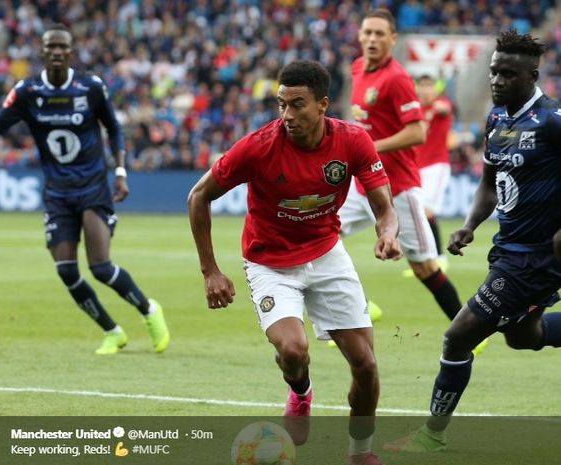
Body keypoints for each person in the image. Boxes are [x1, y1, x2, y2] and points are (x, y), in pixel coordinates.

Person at [188, 60, 403, 465]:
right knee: (292, 349)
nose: (286, 115)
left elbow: (384, 208)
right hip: (270, 262)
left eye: (297, 105)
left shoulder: (353, 141)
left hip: (326, 254)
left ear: (323, 105)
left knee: (366, 364)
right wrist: (210, 271)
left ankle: (360, 453)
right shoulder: (257, 147)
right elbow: (198, 196)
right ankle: (301, 392)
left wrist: (387, 234)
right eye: (281, 104)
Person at [385, 29, 561, 453]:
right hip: (508, 248)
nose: (497, 81)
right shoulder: (497, 118)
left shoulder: (552, 121)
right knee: (523, 335)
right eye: (493, 72)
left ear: (532, 75)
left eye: (507, 74)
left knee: (458, 336)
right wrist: (469, 225)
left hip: (535, 259)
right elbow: (487, 182)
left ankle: (431, 435)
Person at [0, 24, 169, 355]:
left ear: (70, 53)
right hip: (57, 192)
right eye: (49, 46)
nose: (55, 51)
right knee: (66, 270)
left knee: (100, 267)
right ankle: (112, 331)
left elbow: (114, 129)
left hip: (93, 187)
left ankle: (149, 311)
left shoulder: (90, 87)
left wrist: (121, 172)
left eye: (61, 47)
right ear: (41, 52)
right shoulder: (27, 91)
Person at [342, 9, 465, 331]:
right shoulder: (357, 69)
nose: (372, 39)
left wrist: (369, 148)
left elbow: (417, 133)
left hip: (396, 188)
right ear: (359, 35)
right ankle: (358, 307)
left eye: (379, 34)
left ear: (392, 40)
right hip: (361, 186)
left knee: (425, 267)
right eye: (367, 32)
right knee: (318, 236)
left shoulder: (396, 78)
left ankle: (468, 330)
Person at [413, 74, 455, 270]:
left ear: (435, 89)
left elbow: (444, 109)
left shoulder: (441, 104)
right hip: (417, 167)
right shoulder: (416, 110)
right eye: (422, 86)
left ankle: (440, 258)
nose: (425, 90)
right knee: (418, 213)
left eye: (429, 86)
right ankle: (428, 259)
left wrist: (436, 107)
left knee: (426, 211)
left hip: (436, 167)